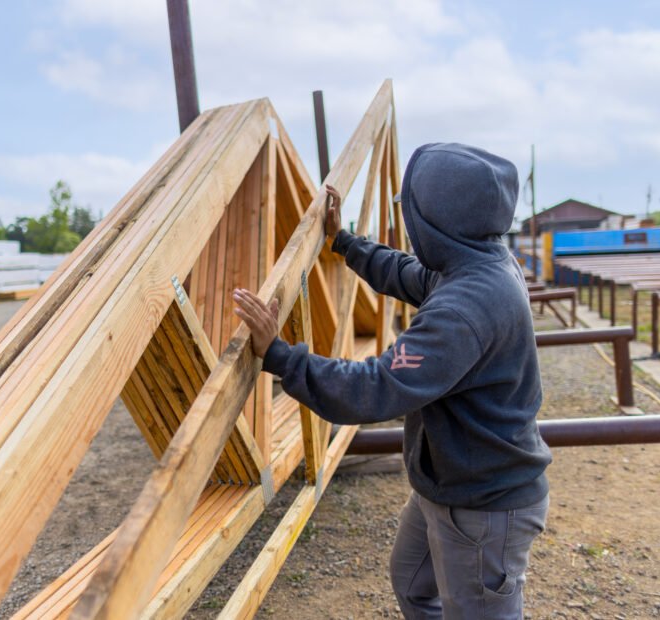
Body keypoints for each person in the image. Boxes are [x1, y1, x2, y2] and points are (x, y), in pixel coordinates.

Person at [232, 143, 552, 619]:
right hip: (450, 483)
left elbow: (374, 388)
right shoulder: (478, 262)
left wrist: (279, 356)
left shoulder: (465, 308)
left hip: (484, 505)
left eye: (413, 209)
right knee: (414, 585)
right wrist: (345, 243)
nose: (408, 219)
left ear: (437, 219)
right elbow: (408, 273)